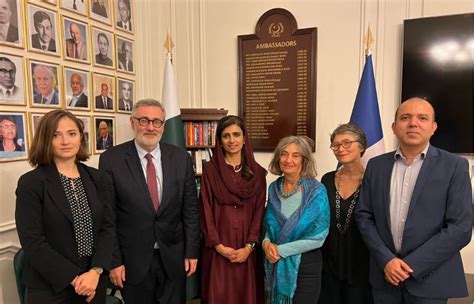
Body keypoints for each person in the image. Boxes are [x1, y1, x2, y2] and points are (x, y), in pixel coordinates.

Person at [355, 97, 472, 304]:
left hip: (431, 280)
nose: (413, 123)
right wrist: (387, 260)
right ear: (394, 126)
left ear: (433, 127)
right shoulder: (376, 165)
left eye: (422, 118)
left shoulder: (454, 166)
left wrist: (411, 265)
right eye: (405, 117)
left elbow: (460, 228)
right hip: (385, 278)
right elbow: (364, 216)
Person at [98, 99, 200, 304]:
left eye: (157, 122)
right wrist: (114, 261)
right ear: (132, 122)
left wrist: (191, 252)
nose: (151, 127)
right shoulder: (112, 159)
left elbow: (190, 210)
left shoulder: (181, 158)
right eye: (144, 120)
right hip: (132, 261)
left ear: (164, 125)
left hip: (173, 257)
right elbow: (107, 217)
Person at [15, 110, 114, 303]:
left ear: (80, 137)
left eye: (72, 133)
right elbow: (33, 242)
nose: (65, 141)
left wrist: (95, 272)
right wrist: (75, 279)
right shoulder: (31, 182)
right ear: (45, 139)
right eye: (55, 135)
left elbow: (107, 228)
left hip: (93, 281)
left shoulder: (98, 178)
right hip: (50, 285)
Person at [200, 115, 267, 304]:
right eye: (226, 136)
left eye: (236, 135)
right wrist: (218, 246)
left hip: (247, 248)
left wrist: (249, 247)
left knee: (246, 296)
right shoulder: (210, 171)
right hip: (217, 247)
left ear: (245, 138)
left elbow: (259, 212)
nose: (232, 140)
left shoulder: (258, 173)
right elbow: (205, 208)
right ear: (219, 141)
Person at [263, 136, 330, 304]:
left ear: (304, 160)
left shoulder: (316, 191)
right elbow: (268, 225)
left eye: (295, 155)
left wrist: (280, 250)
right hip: (275, 263)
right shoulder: (273, 188)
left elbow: (319, 237)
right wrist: (265, 244)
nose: (288, 160)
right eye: (284, 154)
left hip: (306, 266)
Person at [318, 123, 372, 304]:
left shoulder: (373, 180)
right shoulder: (326, 179)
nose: (341, 149)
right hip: (328, 263)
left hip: (362, 264)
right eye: (336, 145)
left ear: (362, 146)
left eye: (347, 143)